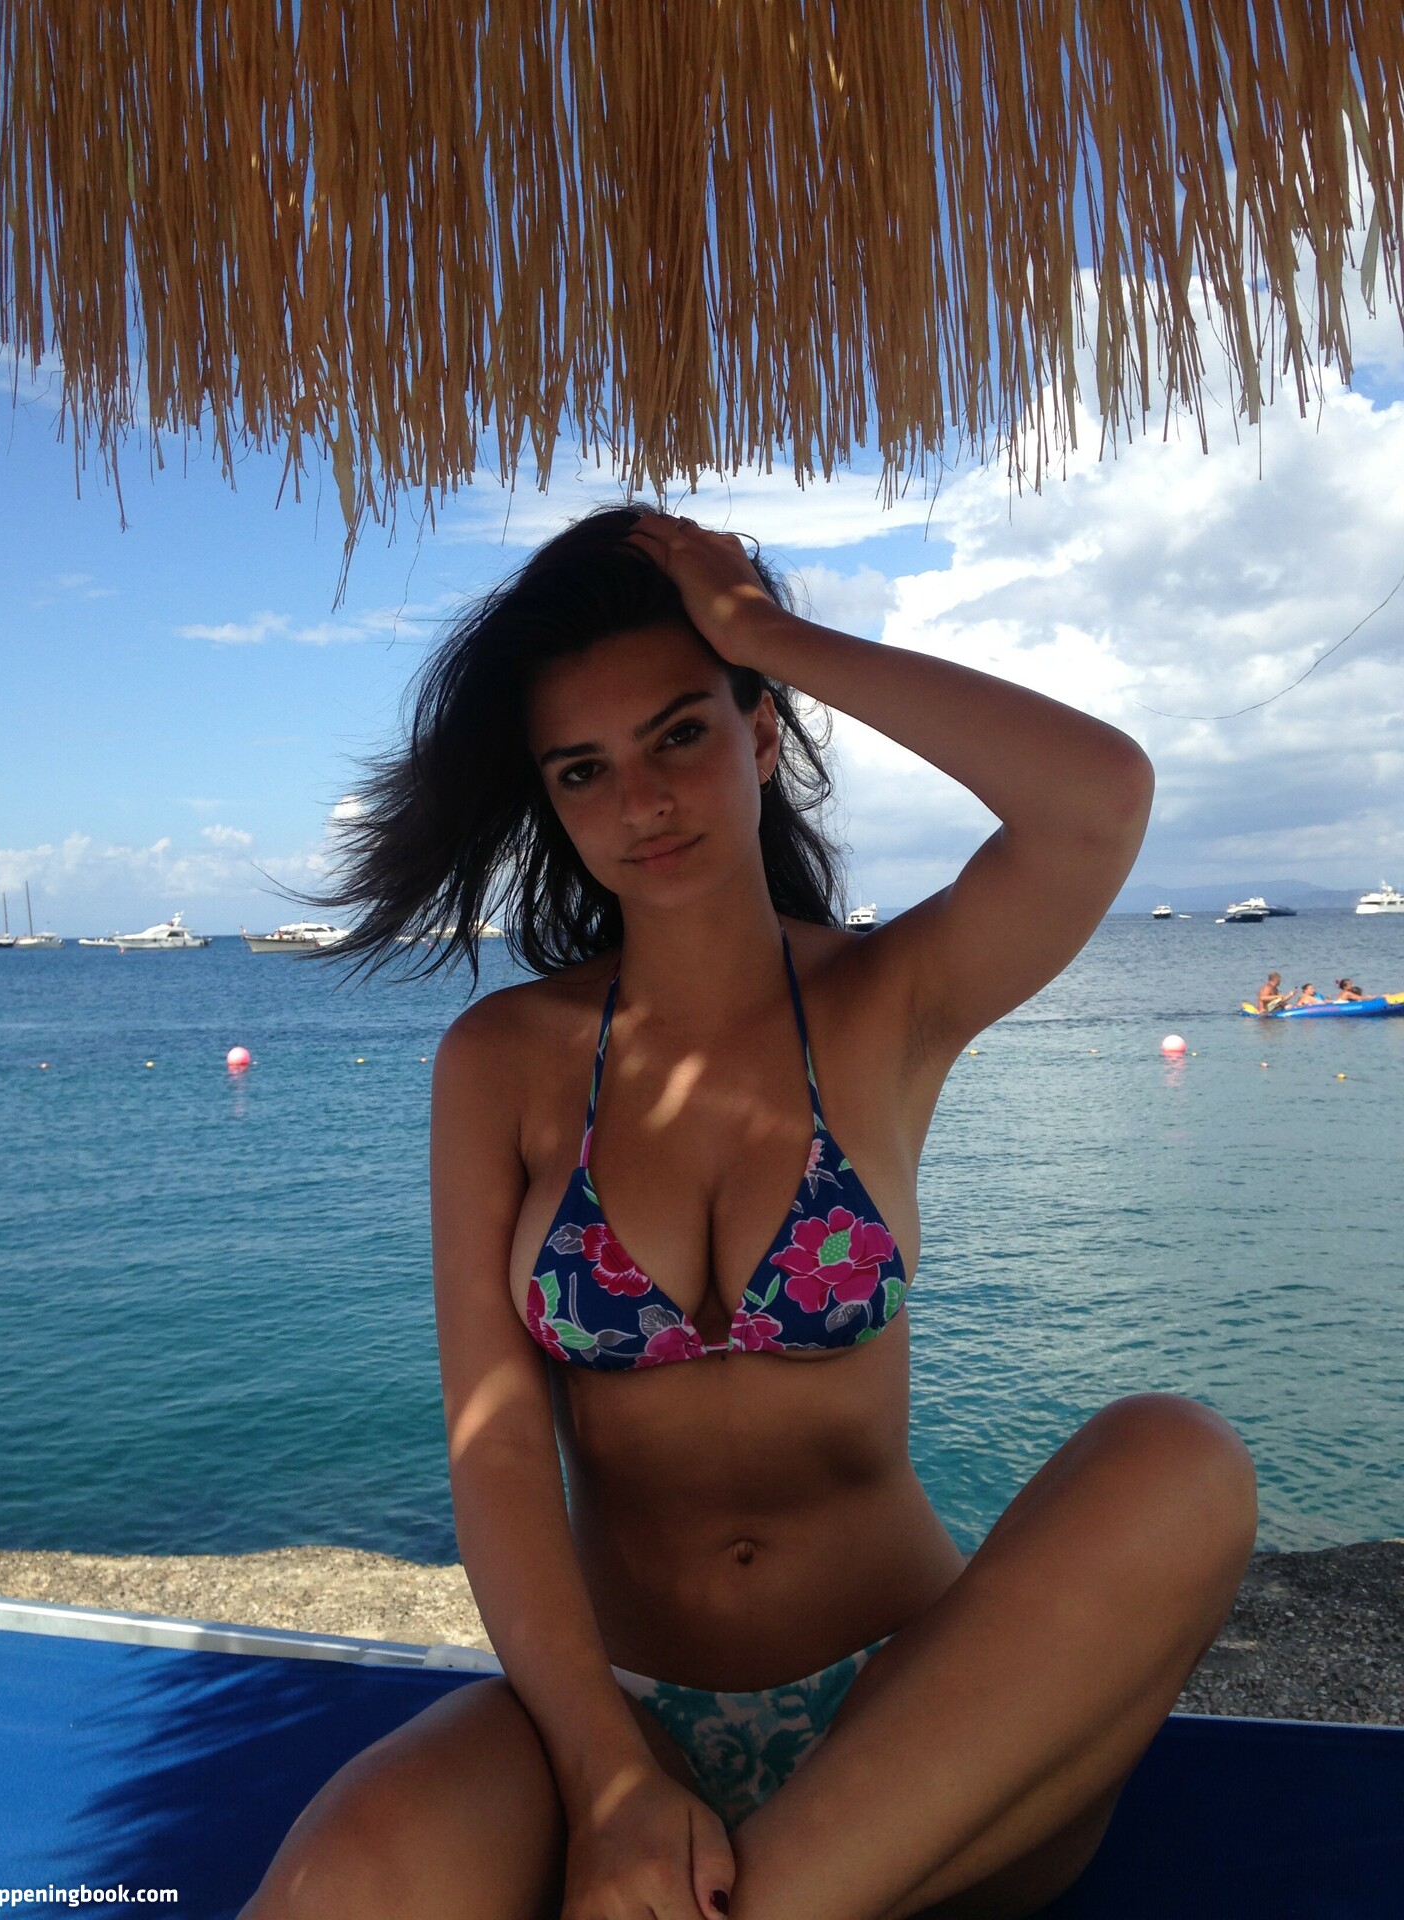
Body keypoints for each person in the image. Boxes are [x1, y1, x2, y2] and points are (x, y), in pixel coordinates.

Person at [242, 507, 1256, 1920]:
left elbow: (1097, 800)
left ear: (762, 735)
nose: (642, 801)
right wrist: (605, 1779)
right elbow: (500, 1456)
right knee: (352, 1873)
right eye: (584, 770)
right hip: (622, 1720)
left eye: (680, 734)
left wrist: (764, 632)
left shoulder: (887, 1000)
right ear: (555, 803)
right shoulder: (504, 1064)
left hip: (913, 1723)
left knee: (1180, 1456)